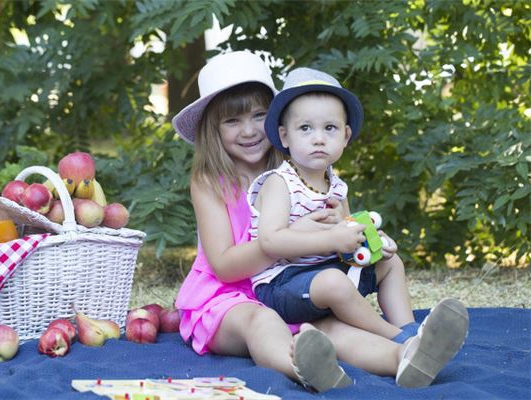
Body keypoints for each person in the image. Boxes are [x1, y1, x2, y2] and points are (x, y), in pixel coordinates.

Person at [172, 51, 468, 391]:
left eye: (259, 115)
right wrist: (292, 235)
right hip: (228, 299)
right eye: (232, 121)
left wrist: (363, 241)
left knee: (329, 329)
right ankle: (302, 368)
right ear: (212, 127)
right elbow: (224, 266)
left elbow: (339, 231)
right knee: (262, 321)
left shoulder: (301, 167)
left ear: (279, 124)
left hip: (293, 282)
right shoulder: (211, 180)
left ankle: (407, 355)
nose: (250, 130)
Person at [247, 66, 469, 387]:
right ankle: (399, 336)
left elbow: (350, 238)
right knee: (334, 282)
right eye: (305, 128)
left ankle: (412, 331)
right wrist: (330, 237)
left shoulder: (337, 187)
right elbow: (270, 241)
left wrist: (372, 242)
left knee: (391, 263)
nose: (319, 138)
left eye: (330, 128)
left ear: (346, 136)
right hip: (283, 284)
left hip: (329, 272)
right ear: (285, 136)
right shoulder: (279, 184)